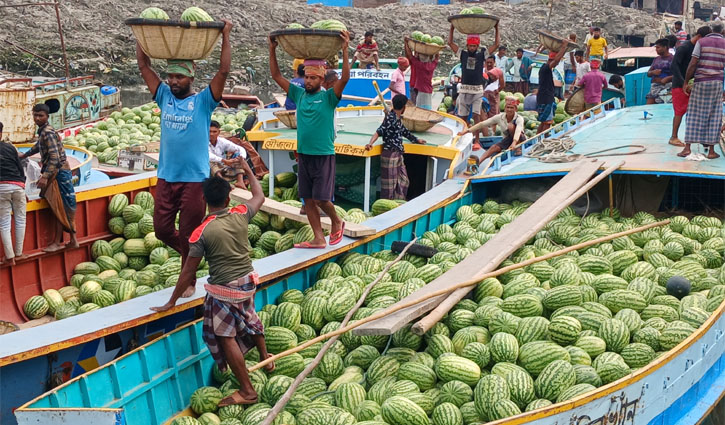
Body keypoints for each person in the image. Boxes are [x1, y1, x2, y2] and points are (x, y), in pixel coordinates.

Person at [151, 167, 273, 407]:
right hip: (248, 282)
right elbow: (259, 196)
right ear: (229, 198)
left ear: (204, 200)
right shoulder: (240, 213)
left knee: (224, 335)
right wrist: (247, 169)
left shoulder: (200, 233)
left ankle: (247, 390)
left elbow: (188, 271)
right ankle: (265, 358)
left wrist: (172, 301)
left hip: (226, 289)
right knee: (250, 317)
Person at [136, 21, 232, 296]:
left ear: (191, 77)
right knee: (162, 229)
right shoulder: (163, 96)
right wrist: (142, 36)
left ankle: (188, 281)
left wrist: (225, 36)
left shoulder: (203, 101)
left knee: (190, 230)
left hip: (194, 179)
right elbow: (144, 67)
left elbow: (223, 70)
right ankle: (194, 254)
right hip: (167, 176)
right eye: (170, 76)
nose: (173, 81)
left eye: (179, 77)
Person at [270, 31, 349, 249]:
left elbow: (344, 79)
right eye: (306, 77)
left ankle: (336, 221)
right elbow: (276, 76)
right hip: (304, 155)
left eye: (313, 78)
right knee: (308, 199)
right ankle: (318, 238)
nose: (308, 81)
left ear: (322, 79)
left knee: (323, 199)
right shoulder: (299, 95)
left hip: (323, 155)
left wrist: (344, 49)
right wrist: (272, 49)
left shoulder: (329, 97)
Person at [19, 104, 77, 253]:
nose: (37, 118)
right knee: (62, 205)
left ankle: (58, 242)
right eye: (35, 115)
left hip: (58, 172)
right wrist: (24, 155)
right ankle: (72, 241)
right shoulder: (44, 131)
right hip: (58, 171)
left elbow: (55, 158)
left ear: (47, 116)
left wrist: (45, 177)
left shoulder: (48, 133)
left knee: (59, 206)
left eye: (41, 116)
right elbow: (38, 146)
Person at [364, 94, 426, 200]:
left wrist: (416, 140)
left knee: (404, 180)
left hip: (398, 154)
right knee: (389, 187)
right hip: (390, 154)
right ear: (404, 107)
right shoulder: (390, 118)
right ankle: (386, 208)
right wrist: (370, 143)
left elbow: (404, 131)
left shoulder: (396, 119)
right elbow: (379, 131)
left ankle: (397, 202)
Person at [448, 23, 500, 147]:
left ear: (477, 46)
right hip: (465, 90)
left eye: (474, 45)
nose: (472, 47)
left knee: (477, 116)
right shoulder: (463, 54)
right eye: (470, 45)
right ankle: (462, 138)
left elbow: (496, 45)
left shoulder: (482, 54)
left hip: (477, 91)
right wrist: (452, 28)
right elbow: (450, 43)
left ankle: (477, 140)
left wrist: (496, 28)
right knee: (463, 116)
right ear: (467, 45)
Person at [680, 23, 725, 159]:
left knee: (694, 112)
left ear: (710, 30)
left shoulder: (701, 42)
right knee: (715, 115)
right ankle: (711, 151)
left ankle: (687, 148)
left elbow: (693, 63)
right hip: (717, 83)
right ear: (722, 31)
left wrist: (686, 81)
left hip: (701, 82)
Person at [670, 26, 712, 147]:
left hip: (691, 84)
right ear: (699, 37)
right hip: (679, 84)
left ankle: (701, 138)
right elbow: (674, 67)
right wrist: (684, 82)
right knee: (679, 110)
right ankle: (673, 137)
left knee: (696, 111)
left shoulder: (698, 48)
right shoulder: (684, 48)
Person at [461, 97, 526, 164]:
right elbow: (482, 124)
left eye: (511, 108)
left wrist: (514, 142)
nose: (509, 110)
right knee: (493, 147)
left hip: (519, 139)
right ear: (505, 108)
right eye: (508, 107)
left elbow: (518, 130)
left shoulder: (519, 118)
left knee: (511, 126)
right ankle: (478, 163)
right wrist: (467, 131)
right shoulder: (500, 117)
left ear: (515, 109)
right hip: (507, 140)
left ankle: (518, 148)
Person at [0, 122, 27, 265]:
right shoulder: (10, 148)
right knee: (20, 219)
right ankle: (19, 253)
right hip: (17, 185)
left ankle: (9, 258)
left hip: (1, 188)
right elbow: (20, 167)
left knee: (4, 222)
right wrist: (23, 186)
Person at [537, 42, 569, 134]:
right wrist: (563, 47)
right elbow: (556, 61)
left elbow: (555, 61)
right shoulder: (547, 68)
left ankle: (536, 140)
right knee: (547, 123)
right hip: (546, 99)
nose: (556, 64)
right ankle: (543, 141)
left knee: (543, 122)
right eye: (556, 62)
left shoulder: (544, 68)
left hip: (542, 98)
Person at [209, 121, 248, 189]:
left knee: (239, 155)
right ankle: (224, 184)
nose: (211, 134)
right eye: (210, 131)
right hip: (211, 171)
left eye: (214, 132)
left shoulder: (222, 141)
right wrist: (224, 161)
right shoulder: (203, 142)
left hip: (223, 168)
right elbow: (208, 155)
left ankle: (240, 181)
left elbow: (240, 149)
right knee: (209, 161)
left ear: (219, 132)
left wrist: (241, 158)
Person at [405, 40, 439, 110]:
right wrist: (436, 49)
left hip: (421, 91)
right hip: (428, 90)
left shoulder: (419, 65)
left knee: (420, 110)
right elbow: (436, 58)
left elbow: (410, 55)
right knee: (427, 108)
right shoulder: (432, 65)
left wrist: (406, 43)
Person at [647, 38, 674, 104]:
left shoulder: (673, 59)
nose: (656, 50)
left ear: (665, 47)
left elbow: (678, 75)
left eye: (658, 47)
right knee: (649, 106)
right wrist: (653, 72)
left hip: (668, 88)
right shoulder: (656, 59)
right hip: (654, 88)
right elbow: (648, 73)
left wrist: (666, 79)